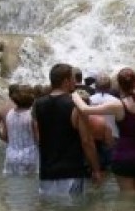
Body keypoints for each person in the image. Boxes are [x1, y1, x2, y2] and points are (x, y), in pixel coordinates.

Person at [73, 68, 135, 195]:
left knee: (127, 200)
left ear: (118, 85)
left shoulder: (118, 105)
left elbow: (85, 110)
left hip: (124, 157)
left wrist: (74, 94)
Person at [32, 63, 103, 196]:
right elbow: (86, 141)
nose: (74, 82)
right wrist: (96, 169)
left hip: (47, 171)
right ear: (66, 81)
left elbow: (38, 137)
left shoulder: (38, 104)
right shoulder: (75, 105)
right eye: (72, 79)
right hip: (71, 170)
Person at [0, 84, 39, 176]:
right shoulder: (32, 115)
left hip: (11, 155)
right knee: (28, 187)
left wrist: (1, 136)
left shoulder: (10, 114)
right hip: (29, 156)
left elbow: (2, 133)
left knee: (13, 187)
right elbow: (38, 138)